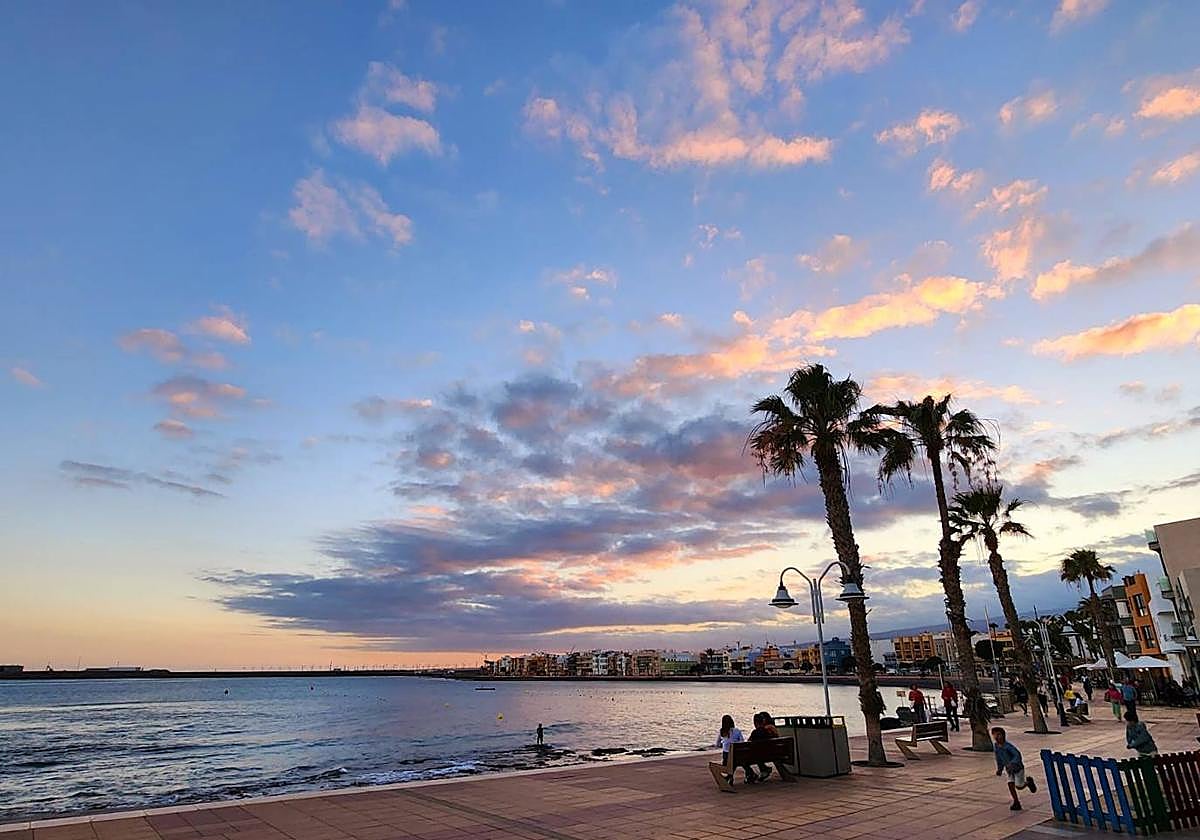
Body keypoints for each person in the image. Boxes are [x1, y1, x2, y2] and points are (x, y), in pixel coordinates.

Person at [993, 727, 1036, 811]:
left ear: (1003, 735)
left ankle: (1028, 782)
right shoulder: (996, 747)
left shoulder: (1008, 746)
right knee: (1010, 784)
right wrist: (1000, 769)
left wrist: (1012, 763)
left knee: (1019, 786)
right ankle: (1016, 801)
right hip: (1009, 770)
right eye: (995, 735)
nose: (997, 737)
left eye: (999, 734)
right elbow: (999, 758)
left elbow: (1017, 755)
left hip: (1017, 768)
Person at [716, 714, 758, 784]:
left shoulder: (722, 732)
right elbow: (741, 742)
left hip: (727, 756)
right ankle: (750, 773)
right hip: (737, 755)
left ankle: (730, 776)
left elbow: (717, 744)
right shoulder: (737, 730)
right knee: (740, 760)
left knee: (731, 759)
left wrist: (723, 744)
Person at [748, 711, 781, 781]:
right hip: (773, 753)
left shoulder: (756, 732)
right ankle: (763, 770)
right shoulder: (770, 730)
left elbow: (749, 742)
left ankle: (750, 773)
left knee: (748, 756)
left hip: (760, 755)